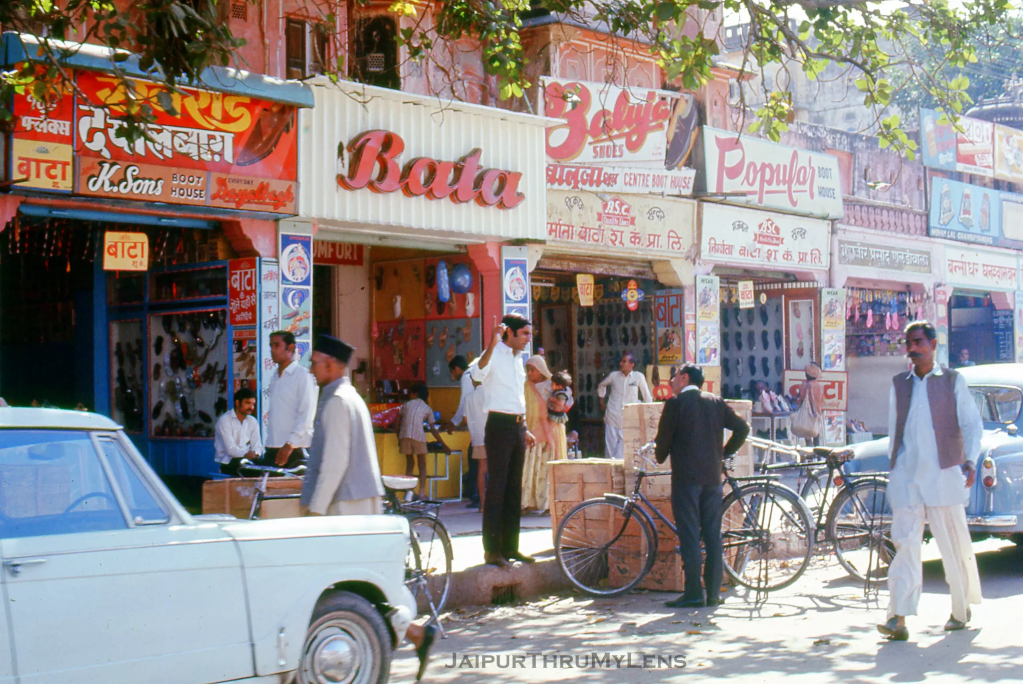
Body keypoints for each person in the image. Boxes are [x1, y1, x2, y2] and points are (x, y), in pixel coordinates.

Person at [877, 321, 984, 641]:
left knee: (952, 545)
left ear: (934, 344)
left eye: (919, 342)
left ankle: (960, 609)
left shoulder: (952, 380)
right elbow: (894, 431)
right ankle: (898, 617)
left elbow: (971, 424)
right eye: (908, 343)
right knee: (905, 545)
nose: (912, 348)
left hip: (944, 474)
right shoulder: (900, 383)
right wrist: (894, 466)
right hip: (907, 476)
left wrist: (970, 460)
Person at [655, 365, 749, 608]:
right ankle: (714, 594)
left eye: (674, 376)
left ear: (684, 378)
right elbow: (743, 428)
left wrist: (661, 452)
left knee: (689, 536)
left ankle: (694, 593)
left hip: (686, 479)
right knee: (712, 535)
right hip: (711, 479)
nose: (672, 380)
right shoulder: (715, 401)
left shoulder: (675, 404)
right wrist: (723, 453)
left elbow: (662, 447)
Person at [471, 314, 537, 567]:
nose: (528, 340)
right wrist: (492, 341)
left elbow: (515, 396)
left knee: (514, 489)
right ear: (510, 333)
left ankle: (511, 547)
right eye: (524, 334)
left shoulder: (518, 360)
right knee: (496, 489)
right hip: (498, 426)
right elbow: (477, 374)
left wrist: (526, 427)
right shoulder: (493, 353)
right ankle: (492, 550)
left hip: (518, 427)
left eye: (529, 334)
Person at [301, 334, 386, 516]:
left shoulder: (338, 402)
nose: (310, 370)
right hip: (358, 500)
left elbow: (335, 462)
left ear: (329, 365)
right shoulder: (352, 397)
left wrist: (316, 508)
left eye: (314, 363)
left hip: (347, 504)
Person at [265, 330, 317, 468]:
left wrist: (290, 445)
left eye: (277, 345)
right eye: (271, 346)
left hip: (295, 448)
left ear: (291, 347)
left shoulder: (303, 376)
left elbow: (306, 415)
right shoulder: (274, 377)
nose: (273, 350)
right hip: (273, 446)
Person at [397, 384, 451, 500]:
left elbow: (397, 423)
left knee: (410, 464)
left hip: (404, 436)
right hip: (418, 437)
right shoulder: (427, 409)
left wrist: (399, 438)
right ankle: (421, 493)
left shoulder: (406, 405)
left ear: (415, 394)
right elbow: (433, 429)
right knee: (422, 465)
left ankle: (408, 493)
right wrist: (444, 445)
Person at [597, 352, 653, 459]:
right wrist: (601, 401)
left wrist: (649, 415)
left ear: (632, 365)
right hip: (612, 417)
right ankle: (610, 474)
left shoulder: (638, 377)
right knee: (610, 451)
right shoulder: (614, 376)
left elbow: (647, 397)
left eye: (624, 361)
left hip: (629, 419)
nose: (621, 363)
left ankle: (619, 475)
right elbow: (602, 385)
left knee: (623, 453)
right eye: (621, 361)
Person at [445, 356, 480, 508]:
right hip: (482, 424)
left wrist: (453, 422)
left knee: (475, 460)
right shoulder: (472, 375)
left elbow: (464, 402)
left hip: (478, 426)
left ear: (457, 369)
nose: (452, 375)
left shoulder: (467, 378)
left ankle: (476, 495)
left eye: (452, 372)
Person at [521, 355, 555, 513]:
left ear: (541, 371)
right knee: (529, 470)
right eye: (528, 370)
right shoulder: (525, 387)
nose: (530, 374)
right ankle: (527, 503)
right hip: (531, 433)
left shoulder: (552, 386)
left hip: (548, 432)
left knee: (545, 471)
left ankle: (547, 504)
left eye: (533, 370)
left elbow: (564, 404)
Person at [214, 388, 264, 476]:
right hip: (228, 462)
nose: (251, 407)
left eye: (253, 404)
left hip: (248, 460)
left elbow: (257, 446)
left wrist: (255, 453)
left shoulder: (253, 421)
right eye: (247, 403)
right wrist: (246, 454)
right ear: (237, 403)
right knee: (249, 470)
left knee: (267, 466)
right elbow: (230, 449)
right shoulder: (224, 420)